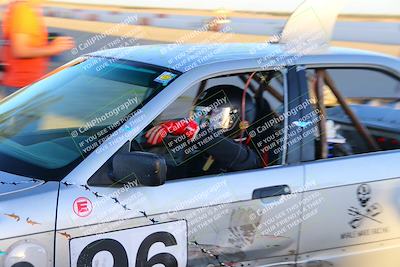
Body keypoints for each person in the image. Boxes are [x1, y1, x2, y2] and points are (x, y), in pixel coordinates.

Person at [145, 85, 262, 179]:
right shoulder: (202, 153)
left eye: (215, 116)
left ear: (236, 119)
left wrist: (195, 131)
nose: (204, 121)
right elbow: (181, 175)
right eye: (201, 115)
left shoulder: (247, 157)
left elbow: (237, 155)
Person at [0, 0, 75, 99]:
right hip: (22, 87)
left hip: (27, 84)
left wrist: (49, 43)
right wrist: (53, 48)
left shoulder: (28, 10)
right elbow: (20, 51)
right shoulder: (24, 11)